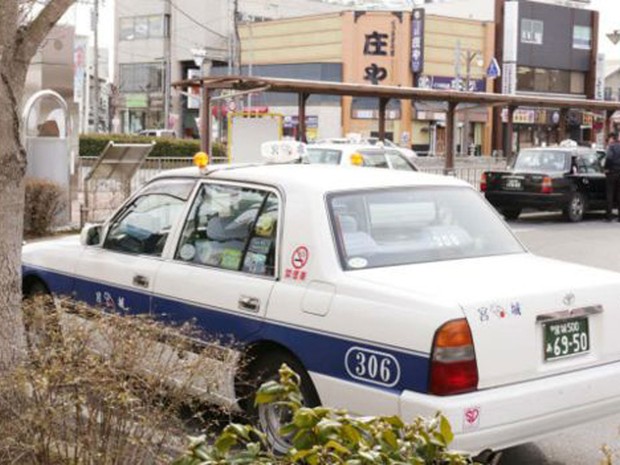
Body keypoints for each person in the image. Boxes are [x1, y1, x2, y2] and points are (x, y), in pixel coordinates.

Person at [604, 133, 620, 221]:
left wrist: (606, 168)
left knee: (609, 194)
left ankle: (609, 216)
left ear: (612, 139)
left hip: (612, 172)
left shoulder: (612, 147)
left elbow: (609, 158)